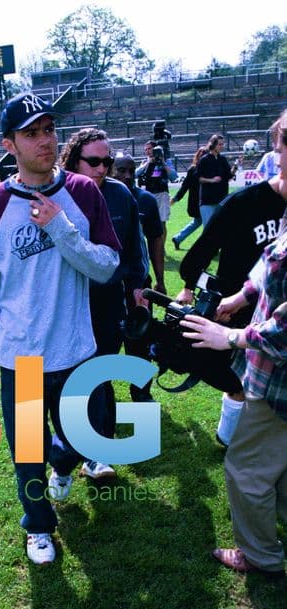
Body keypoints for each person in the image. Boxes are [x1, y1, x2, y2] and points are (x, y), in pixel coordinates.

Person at [0, 93, 120, 564]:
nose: (45, 141)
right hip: (20, 356)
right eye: (31, 133)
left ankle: (66, 461)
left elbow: (107, 266)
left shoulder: (84, 192)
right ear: (9, 144)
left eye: (49, 130)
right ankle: (37, 527)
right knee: (26, 454)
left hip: (75, 349)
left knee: (84, 439)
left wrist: (62, 229)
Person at [180, 138, 287, 579]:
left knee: (245, 467)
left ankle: (260, 556)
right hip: (267, 368)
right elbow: (270, 268)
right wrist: (238, 296)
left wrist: (231, 336)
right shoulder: (253, 204)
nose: (279, 160)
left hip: (275, 375)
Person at [179, 112, 286, 447]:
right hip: (242, 308)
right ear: (276, 148)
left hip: (269, 317)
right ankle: (232, 428)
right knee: (237, 376)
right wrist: (188, 287)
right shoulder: (243, 204)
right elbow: (200, 252)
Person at [59, 127, 146, 477]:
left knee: (100, 373)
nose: (102, 168)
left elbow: (134, 247)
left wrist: (139, 288)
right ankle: (62, 454)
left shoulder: (121, 194)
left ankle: (98, 453)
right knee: (64, 378)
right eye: (93, 161)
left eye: (107, 161)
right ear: (72, 159)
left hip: (108, 300)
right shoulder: (57, 193)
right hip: (63, 302)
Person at [112, 152, 165, 402]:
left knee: (139, 341)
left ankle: (141, 393)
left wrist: (160, 279)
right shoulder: (98, 198)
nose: (128, 176)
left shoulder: (145, 200)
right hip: (106, 286)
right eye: (121, 170)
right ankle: (100, 397)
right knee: (106, 343)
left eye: (132, 171)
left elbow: (156, 240)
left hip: (137, 284)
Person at [135, 139, 178, 250]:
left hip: (162, 194)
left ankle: (161, 248)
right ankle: (148, 246)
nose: (147, 152)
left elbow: (174, 176)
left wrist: (162, 162)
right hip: (147, 195)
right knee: (144, 222)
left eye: (149, 149)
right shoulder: (145, 162)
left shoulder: (165, 161)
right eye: (146, 150)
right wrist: (147, 163)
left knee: (162, 222)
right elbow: (135, 174)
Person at [197, 134, 239, 227]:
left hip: (222, 200)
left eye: (223, 144)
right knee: (208, 230)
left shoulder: (223, 159)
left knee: (221, 229)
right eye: (219, 144)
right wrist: (211, 180)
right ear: (213, 145)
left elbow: (229, 176)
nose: (222, 146)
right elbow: (198, 179)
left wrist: (236, 166)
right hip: (207, 201)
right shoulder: (204, 160)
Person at [170, 147, 207, 250]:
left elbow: (184, 187)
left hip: (197, 203)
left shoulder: (192, 169)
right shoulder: (195, 170)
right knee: (208, 224)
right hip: (202, 203)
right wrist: (176, 198)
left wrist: (176, 198)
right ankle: (209, 247)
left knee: (198, 222)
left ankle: (178, 238)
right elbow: (185, 186)